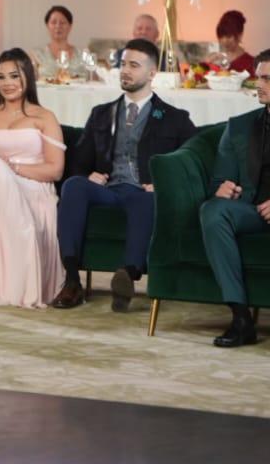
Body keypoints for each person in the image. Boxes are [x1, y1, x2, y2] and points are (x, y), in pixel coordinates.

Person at [51, 38, 197, 314]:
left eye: (134, 65)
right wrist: (88, 174)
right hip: (108, 188)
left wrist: (165, 184)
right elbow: (78, 161)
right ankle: (71, 280)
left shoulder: (174, 118)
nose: (125, 70)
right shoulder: (101, 114)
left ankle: (126, 276)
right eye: (123, 64)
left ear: (152, 73)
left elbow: (192, 159)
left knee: (146, 200)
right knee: (74, 186)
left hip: (143, 192)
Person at [0, 50, 66, 308]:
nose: (7, 83)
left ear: (27, 77)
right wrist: (0, 172)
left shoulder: (44, 117)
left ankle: (15, 277)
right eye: (1, 77)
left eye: (14, 76)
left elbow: (55, 170)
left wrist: (12, 169)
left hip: (33, 188)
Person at [200, 49, 270, 347]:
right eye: (259, 78)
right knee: (213, 210)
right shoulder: (239, 126)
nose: (260, 85)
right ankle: (241, 318)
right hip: (250, 212)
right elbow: (219, 180)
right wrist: (221, 190)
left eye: (267, 79)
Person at [35, 5, 84, 81]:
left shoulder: (81, 55)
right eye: (53, 22)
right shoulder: (36, 55)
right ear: (47, 26)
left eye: (62, 23)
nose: (58, 26)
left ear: (70, 26)